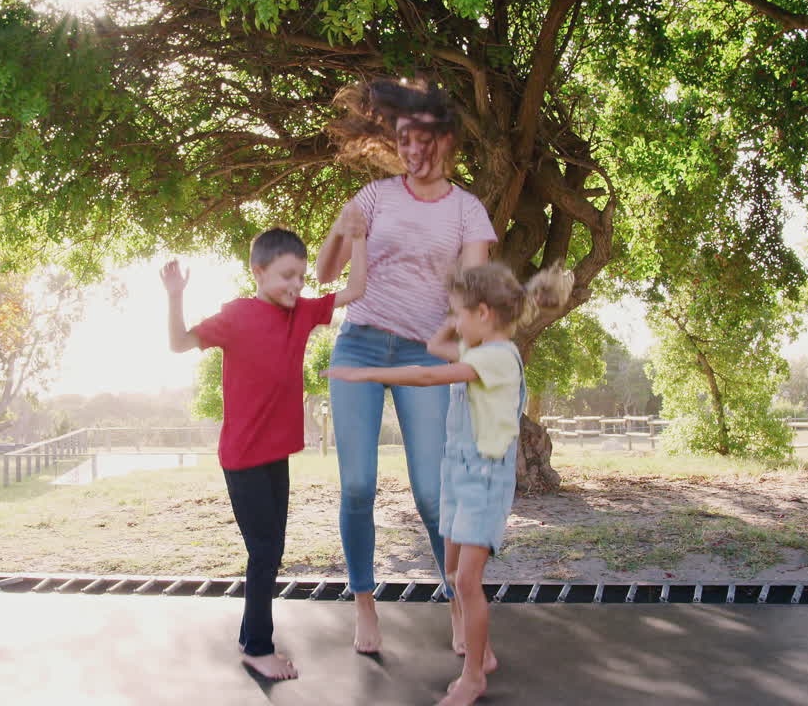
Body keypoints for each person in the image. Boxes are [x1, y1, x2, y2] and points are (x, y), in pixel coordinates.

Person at [315, 79, 495, 654]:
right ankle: (365, 605)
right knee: (358, 486)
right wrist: (343, 226)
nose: (414, 153)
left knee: (432, 491)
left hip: (422, 351)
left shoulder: (469, 211)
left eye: (424, 141)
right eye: (403, 142)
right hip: (361, 344)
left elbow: (470, 295)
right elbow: (323, 273)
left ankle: (458, 602)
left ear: (444, 140)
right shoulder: (373, 197)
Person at [324, 262, 540, 706]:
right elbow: (433, 345)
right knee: (453, 572)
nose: (454, 324)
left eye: (460, 314)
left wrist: (362, 374)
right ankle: (482, 655)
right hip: (457, 474)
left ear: (483, 313)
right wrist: (456, 310)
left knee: (465, 582)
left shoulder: (497, 358)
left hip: (483, 481)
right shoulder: (477, 350)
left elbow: (426, 372)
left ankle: (473, 677)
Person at [161, 223, 367, 680]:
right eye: (286, 275)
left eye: (300, 276)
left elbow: (357, 287)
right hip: (243, 456)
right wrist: (176, 295)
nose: (296, 284)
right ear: (258, 271)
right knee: (265, 550)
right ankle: (256, 646)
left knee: (271, 550)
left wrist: (360, 240)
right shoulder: (235, 317)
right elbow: (178, 344)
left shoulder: (302, 313)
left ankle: (251, 639)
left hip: (275, 455)